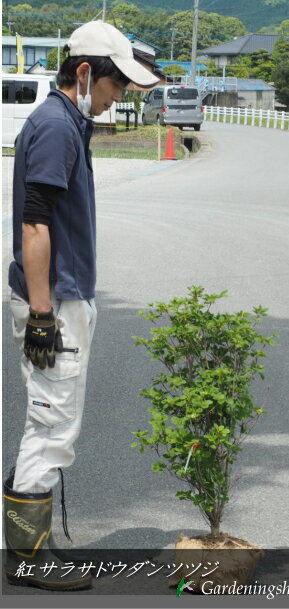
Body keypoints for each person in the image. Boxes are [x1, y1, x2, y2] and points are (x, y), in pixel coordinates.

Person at [4, 20, 158, 590]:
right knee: (52, 425)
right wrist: (42, 315)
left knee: (48, 420)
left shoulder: (68, 121)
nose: (117, 100)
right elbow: (35, 221)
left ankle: (30, 542)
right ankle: (27, 561)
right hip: (55, 303)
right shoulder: (57, 126)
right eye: (116, 87)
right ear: (87, 72)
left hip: (63, 298)